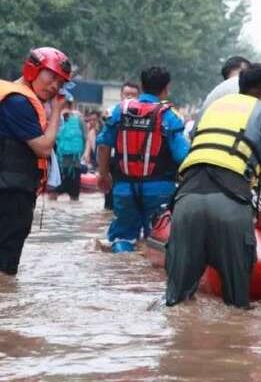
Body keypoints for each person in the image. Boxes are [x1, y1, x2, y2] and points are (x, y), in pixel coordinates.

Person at [165, 63, 261, 308]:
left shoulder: (212, 109)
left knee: (177, 303)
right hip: (231, 206)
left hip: (186, 200)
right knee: (236, 309)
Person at [96, 67, 190, 253]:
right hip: (159, 190)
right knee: (157, 240)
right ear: (166, 89)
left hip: (124, 188)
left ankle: (122, 262)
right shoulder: (169, 116)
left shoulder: (120, 111)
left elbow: (103, 144)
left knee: (123, 237)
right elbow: (183, 157)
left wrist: (103, 174)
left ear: (142, 86)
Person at [0, 47, 71, 275]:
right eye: (52, 77)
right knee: (6, 267)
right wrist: (57, 110)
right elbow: (44, 148)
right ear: (32, 70)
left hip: (10, 189)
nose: (55, 87)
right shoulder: (18, 102)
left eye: (60, 83)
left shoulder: (12, 96)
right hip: (11, 193)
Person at [103, 82, 141, 210]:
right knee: (110, 203)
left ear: (139, 97)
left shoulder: (144, 114)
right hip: (115, 160)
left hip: (136, 161)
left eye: (133, 95)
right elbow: (104, 142)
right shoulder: (112, 111)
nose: (129, 97)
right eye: (127, 94)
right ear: (121, 95)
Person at [50, 99, 85, 201]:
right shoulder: (54, 120)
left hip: (75, 164)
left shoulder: (79, 120)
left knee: (74, 197)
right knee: (53, 195)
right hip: (58, 164)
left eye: (67, 105)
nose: (65, 108)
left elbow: (85, 138)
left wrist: (86, 154)